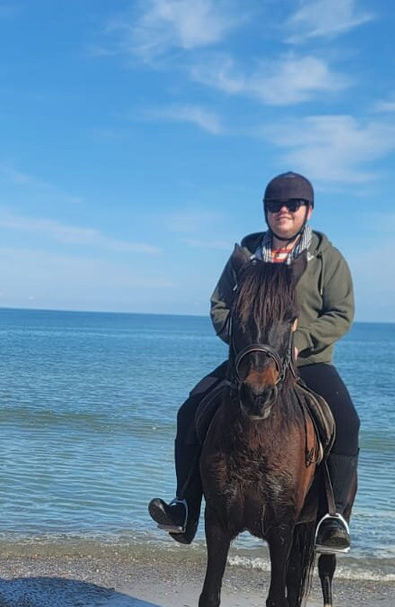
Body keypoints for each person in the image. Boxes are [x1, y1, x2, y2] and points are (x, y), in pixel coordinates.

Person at [148, 172, 358, 553]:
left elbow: (341, 313)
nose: (283, 211)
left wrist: (301, 341)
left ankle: (333, 517)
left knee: (346, 420)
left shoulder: (327, 257)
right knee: (191, 408)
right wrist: (244, 343)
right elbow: (220, 305)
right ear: (265, 211)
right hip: (249, 362)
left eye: (292, 205)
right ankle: (185, 506)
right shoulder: (246, 253)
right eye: (274, 205)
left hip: (306, 361)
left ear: (307, 211)